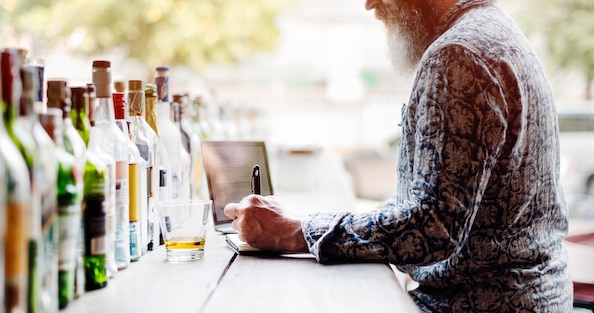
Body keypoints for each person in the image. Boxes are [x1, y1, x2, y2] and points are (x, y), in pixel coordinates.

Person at [224, 0, 573, 311]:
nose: (369, 4)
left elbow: (431, 226)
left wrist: (293, 231)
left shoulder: (457, 55)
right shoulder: (493, 31)